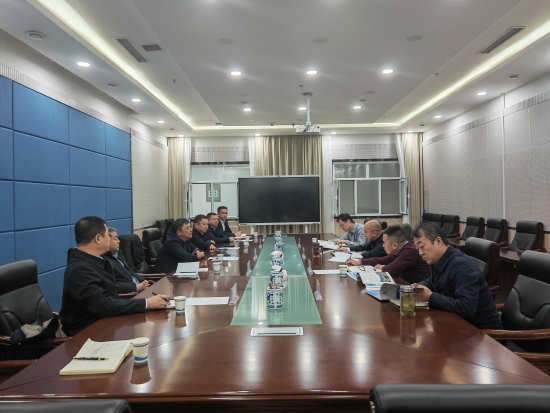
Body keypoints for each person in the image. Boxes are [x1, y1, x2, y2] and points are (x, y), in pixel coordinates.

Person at [59, 216, 168, 337]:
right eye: (107, 235)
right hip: (87, 335)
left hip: (108, 324)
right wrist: (146, 303)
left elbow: (111, 293)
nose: (110, 239)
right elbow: (102, 305)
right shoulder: (80, 269)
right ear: (98, 238)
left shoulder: (100, 261)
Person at [412, 222, 502, 330]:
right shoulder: (440, 260)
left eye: (422, 247)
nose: (420, 253)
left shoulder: (463, 266)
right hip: (456, 324)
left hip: (482, 333)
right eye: (418, 249)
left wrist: (431, 297)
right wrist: (418, 287)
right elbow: (433, 281)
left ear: (438, 241)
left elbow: (467, 309)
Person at [347, 225, 430, 284]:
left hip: (419, 288)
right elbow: (383, 259)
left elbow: (390, 270)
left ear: (395, 245)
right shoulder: (401, 249)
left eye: (384, 243)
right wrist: (360, 262)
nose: (383, 245)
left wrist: (383, 267)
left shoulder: (409, 251)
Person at [104, 227, 150, 294]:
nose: (119, 241)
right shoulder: (105, 261)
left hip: (140, 288)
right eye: (115, 239)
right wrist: (136, 287)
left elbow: (130, 273)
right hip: (130, 294)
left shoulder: (119, 254)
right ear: (106, 241)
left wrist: (143, 281)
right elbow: (112, 285)